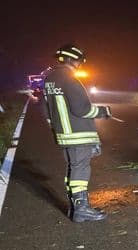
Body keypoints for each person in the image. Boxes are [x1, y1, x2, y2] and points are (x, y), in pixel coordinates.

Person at [42, 44, 111, 222]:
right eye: (80, 62)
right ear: (74, 60)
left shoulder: (50, 78)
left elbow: (45, 108)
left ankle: (75, 207)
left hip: (63, 135)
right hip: (78, 133)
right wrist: (103, 111)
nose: (80, 65)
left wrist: (55, 128)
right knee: (80, 168)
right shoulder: (69, 78)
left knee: (72, 169)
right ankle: (81, 209)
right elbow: (83, 109)